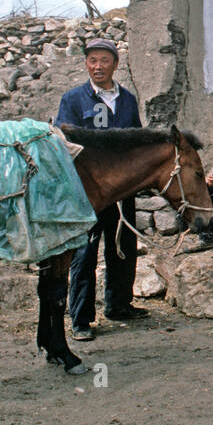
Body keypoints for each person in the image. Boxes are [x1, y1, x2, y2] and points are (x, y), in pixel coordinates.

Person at [54, 38, 148, 340]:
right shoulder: (74, 99)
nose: (98, 66)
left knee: (122, 247)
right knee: (85, 252)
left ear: (115, 65)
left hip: (121, 189)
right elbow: (65, 142)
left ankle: (119, 305)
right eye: (92, 60)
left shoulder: (128, 101)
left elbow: (135, 140)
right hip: (88, 192)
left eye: (104, 61)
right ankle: (81, 319)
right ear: (86, 64)